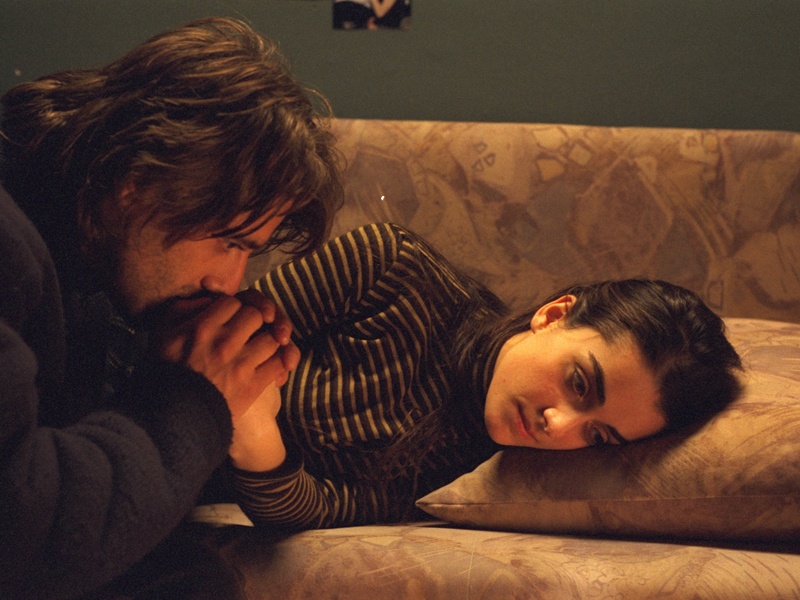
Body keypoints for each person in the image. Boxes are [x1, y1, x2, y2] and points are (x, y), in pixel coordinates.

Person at [0, 16, 342, 599]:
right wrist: (191, 396)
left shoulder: (90, 260)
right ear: (137, 182)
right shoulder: (10, 245)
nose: (228, 283)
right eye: (229, 241)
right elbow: (21, 530)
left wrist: (197, 368)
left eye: (250, 252)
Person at [228, 222, 743, 531]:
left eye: (598, 435)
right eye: (579, 384)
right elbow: (216, 338)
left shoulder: (472, 474)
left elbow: (313, 513)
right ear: (554, 315)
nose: (558, 426)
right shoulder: (392, 268)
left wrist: (255, 429)